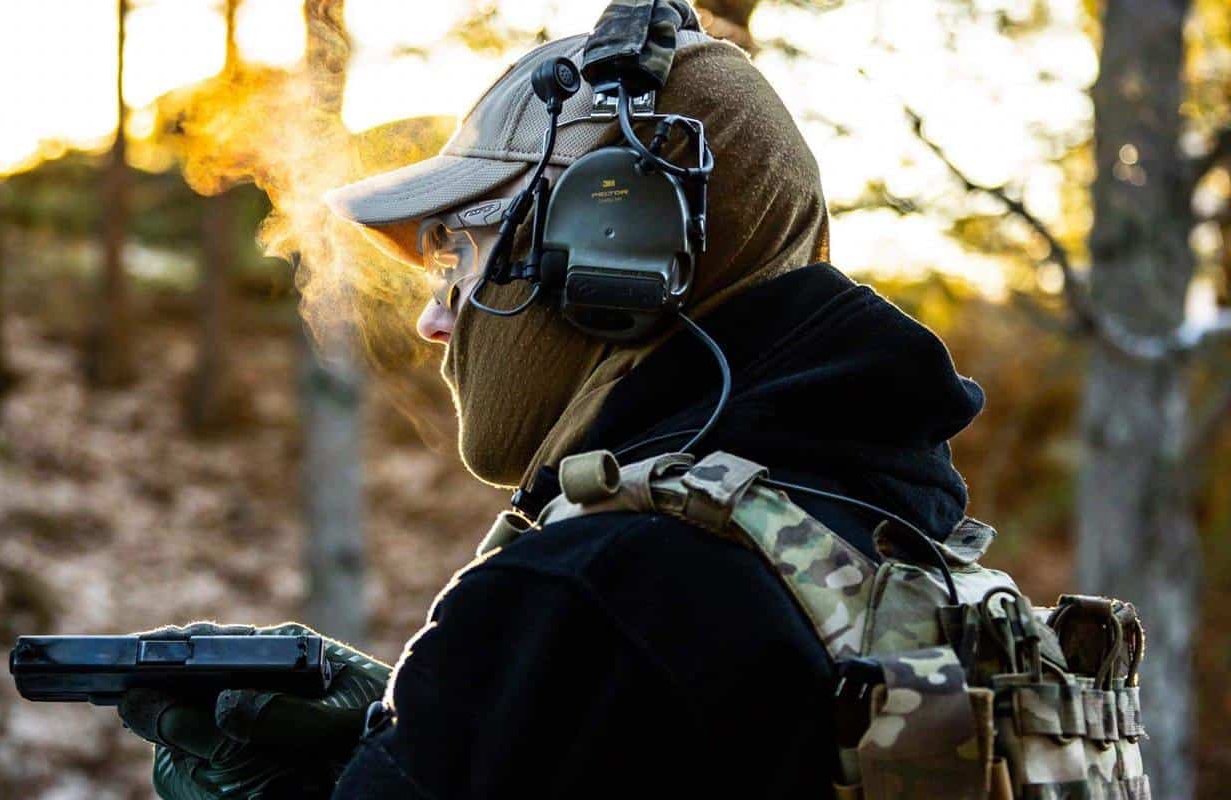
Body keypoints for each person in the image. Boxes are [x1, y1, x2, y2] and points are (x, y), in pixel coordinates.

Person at [116, 13, 985, 800]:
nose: (433, 319)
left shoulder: (598, 591)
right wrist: (428, 742)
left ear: (610, 253)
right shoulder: (901, 554)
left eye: (460, 254)